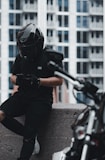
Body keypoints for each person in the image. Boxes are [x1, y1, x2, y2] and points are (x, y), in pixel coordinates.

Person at [0, 23, 63, 160]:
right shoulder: (21, 58)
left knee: (28, 137)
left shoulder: (50, 57)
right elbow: (12, 77)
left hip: (41, 99)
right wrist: (20, 80)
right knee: (1, 114)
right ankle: (29, 135)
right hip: (22, 96)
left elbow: (59, 80)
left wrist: (39, 81)